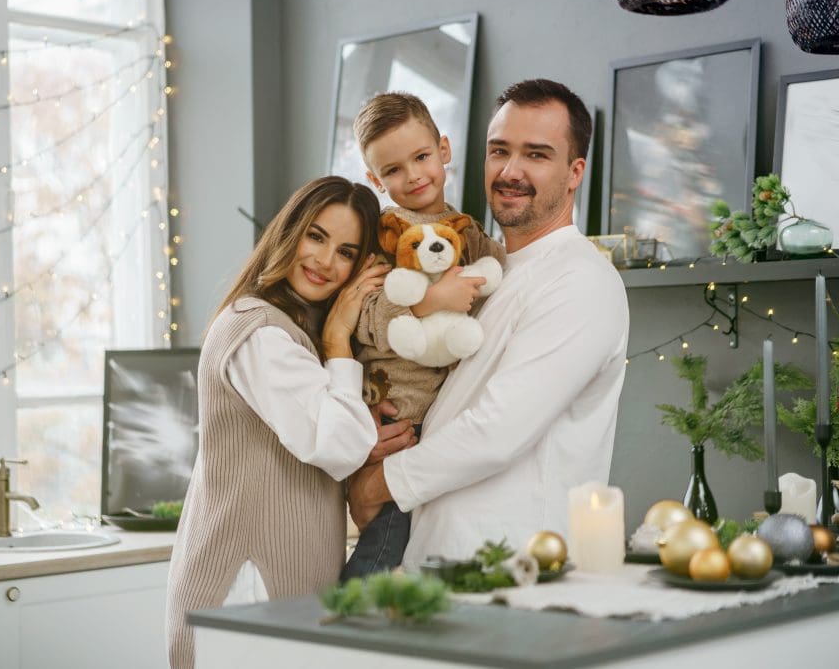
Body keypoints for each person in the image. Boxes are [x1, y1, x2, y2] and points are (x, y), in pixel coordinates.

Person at [348, 79, 630, 567]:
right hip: (437, 558)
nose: (510, 171)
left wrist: (377, 484)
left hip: (511, 566)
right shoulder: (485, 269)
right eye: (499, 150)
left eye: (537, 155)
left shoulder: (581, 279)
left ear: (574, 172)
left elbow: (496, 431)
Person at [165, 176, 399, 669]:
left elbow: (326, 427)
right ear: (289, 233)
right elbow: (335, 444)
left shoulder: (290, 334)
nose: (324, 261)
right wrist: (338, 340)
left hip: (274, 588)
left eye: (345, 251)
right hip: (247, 587)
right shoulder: (260, 332)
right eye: (316, 236)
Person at [341, 92, 506, 581]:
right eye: (392, 170)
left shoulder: (470, 234)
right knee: (385, 543)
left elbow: (508, 274)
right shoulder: (381, 237)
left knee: (422, 541)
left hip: (439, 423)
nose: (413, 176)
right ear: (374, 180)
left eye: (421, 157)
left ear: (445, 150)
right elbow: (363, 317)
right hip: (395, 409)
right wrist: (429, 301)